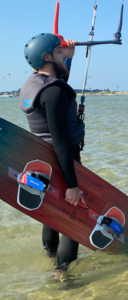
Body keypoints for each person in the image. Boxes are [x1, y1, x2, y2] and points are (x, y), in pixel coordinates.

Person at [19, 33, 86, 276]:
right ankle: (63, 275)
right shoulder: (55, 92)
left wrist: (69, 56)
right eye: (59, 53)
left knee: (51, 213)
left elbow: (58, 77)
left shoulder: (30, 85)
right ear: (47, 57)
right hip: (63, 160)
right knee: (73, 218)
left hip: (41, 158)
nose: (64, 56)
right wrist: (72, 185)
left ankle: (49, 257)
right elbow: (60, 142)